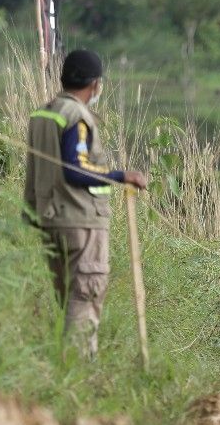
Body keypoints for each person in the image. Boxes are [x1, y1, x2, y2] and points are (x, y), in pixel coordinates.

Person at [24, 49, 148, 359]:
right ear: (95, 85)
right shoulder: (76, 116)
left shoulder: (44, 113)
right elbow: (75, 168)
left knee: (68, 300)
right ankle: (79, 375)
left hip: (50, 220)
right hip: (80, 222)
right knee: (84, 299)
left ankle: (64, 369)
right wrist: (121, 176)